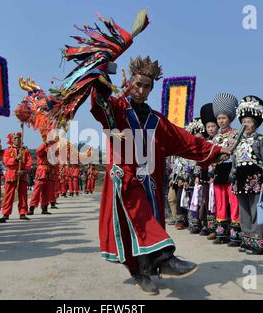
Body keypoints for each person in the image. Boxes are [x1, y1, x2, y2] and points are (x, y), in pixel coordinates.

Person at [90, 55, 229, 294]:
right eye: (138, 84)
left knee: (150, 220)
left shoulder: (158, 121)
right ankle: (161, 261)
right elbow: (98, 102)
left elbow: (186, 142)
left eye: (147, 86)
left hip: (151, 182)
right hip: (125, 177)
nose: (141, 90)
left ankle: (148, 270)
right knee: (138, 222)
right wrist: (102, 70)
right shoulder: (116, 109)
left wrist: (215, 151)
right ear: (129, 82)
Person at [231, 96, 263, 255]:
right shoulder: (237, 140)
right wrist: (232, 176)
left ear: (255, 123)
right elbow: (234, 160)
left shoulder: (262, 139)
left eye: (249, 122)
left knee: (256, 210)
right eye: (243, 122)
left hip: (255, 180)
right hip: (240, 180)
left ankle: (259, 243)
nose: (245, 125)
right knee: (244, 211)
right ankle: (247, 240)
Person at [209, 93, 241, 246]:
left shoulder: (235, 135)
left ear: (230, 118)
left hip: (231, 170)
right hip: (218, 171)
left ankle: (235, 234)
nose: (221, 121)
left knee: (233, 201)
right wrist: (210, 170)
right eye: (219, 118)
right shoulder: (215, 138)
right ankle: (221, 232)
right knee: (220, 201)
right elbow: (210, 156)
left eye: (224, 118)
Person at [199, 103, 219, 236]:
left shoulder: (219, 140)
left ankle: (217, 228)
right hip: (205, 175)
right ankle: (208, 225)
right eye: (208, 127)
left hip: (217, 175)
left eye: (213, 126)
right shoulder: (205, 141)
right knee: (207, 200)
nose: (211, 129)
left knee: (217, 202)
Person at [2, 132, 32, 220]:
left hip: (22, 174)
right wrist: (15, 159)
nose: (17, 140)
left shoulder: (25, 150)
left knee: (23, 195)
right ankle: (6, 213)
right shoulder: (7, 150)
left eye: (18, 138)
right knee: (9, 195)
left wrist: (24, 170)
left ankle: (22, 213)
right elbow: (6, 161)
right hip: (11, 174)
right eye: (14, 138)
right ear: (11, 140)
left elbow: (29, 162)